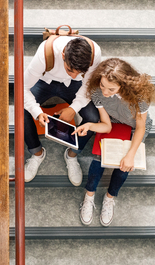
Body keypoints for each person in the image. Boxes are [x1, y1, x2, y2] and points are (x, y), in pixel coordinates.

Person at [73, 58, 155, 226]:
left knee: (125, 164)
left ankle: (110, 198)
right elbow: (106, 125)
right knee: (98, 158)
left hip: (135, 127)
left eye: (111, 89)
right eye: (103, 85)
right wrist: (90, 125)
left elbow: (140, 126)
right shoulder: (98, 92)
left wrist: (131, 154)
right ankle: (89, 195)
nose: (104, 91)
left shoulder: (139, 96)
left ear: (123, 86)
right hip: (115, 122)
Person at [24, 36, 101, 186]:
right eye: (70, 70)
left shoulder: (95, 53)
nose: (73, 75)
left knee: (93, 117)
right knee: (21, 111)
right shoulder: (45, 53)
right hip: (45, 81)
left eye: (79, 72)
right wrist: (37, 112)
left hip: (75, 86)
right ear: (63, 54)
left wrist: (73, 108)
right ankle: (37, 153)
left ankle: (72, 155)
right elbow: (23, 87)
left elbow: (87, 86)